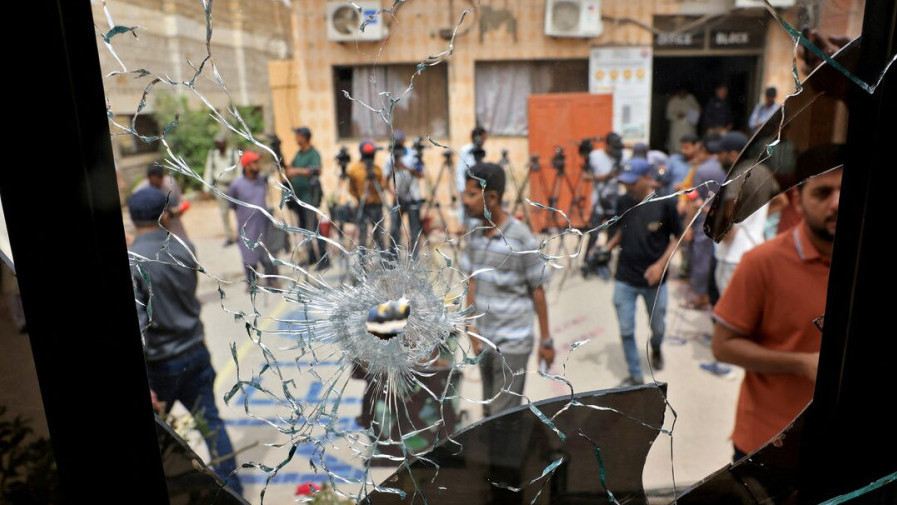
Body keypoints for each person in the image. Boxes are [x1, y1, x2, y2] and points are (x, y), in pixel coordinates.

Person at [712, 150, 842, 462]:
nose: (837, 203)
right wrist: (801, 364)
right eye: (822, 193)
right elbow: (723, 346)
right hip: (770, 440)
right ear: (798, 199)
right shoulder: (762, 263)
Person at [126, 186, 243, 495]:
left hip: (160, 365)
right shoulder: (184, 248)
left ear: (132, 219)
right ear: (165, 215)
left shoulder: (133, 260)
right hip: (195, 353)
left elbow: (139, 324)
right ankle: (233, 491)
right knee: (211, 425)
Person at [460, 162, 553, 416]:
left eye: (471, 194)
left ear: (491, 197)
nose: (464, 200)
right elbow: (472, 281)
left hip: (513, 342)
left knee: (504, 416)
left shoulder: (520, 237)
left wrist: (546, 340)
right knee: (488, 411)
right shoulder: (475, 234)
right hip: (484, 339)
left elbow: (538, 289)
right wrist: (471, 327)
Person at [603, 159, 683, 386]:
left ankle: (656, 347)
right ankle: (636, 376)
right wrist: (607, 247)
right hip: (625, 277)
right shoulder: (623, 201)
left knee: (657, 327)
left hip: (654, 281)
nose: (627, 186)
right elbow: (622, 229)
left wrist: (660, 265)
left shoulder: (665, 203)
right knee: (626, 329)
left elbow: (678, 237)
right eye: (625, 182)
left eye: (632, 182)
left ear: (647, 178)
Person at [683, 134, 725, 309]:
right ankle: (712, 294)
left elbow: (693, 198)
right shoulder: (726, 167)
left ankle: (700, 295)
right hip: (722, 220)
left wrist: (687, 226)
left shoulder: (702, 170)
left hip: (703, 220)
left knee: (701, 258)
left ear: (705, 150)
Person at [228, 151, 279, 287]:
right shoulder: (236, 185)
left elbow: (270, 197)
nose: (258, 165)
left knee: (268, 253)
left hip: (264, 224)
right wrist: (233, 229)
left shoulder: (262, 181)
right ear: (247, 166)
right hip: (247, 228)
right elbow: (231, 208)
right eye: (255, 163)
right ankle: (251, 283)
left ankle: (272, 280)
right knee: (249, 256)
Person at [285, 126, 329, 269]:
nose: (296, 138)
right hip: (298, 197)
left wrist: (296, 171)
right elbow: (290, 168)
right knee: (304, 227)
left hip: (309, 196)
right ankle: (311, 257)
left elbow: (317, 170)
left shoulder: (313, 153)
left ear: (304, 137)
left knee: (313, 228)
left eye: (298, 135)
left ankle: (324, 258)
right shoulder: (299, 154)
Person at [582, 131, 624, 275]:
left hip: (613, 201)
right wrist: (605, 177)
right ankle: (588, 262)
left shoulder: (620, 156)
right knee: (594, 234)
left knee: (612, 234)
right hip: (598, 201)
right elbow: (586, 176)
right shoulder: (595, 156)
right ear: (607, 145)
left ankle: (604, 262)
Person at [383, 131, 424, 258]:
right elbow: (384, 181)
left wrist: (404, 167)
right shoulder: (389, 158)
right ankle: (393, 259)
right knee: (394, 230)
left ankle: (414, 258)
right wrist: (393, 193)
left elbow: (420, 174)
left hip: (413, 198)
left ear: (404, 141)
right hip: (398, 200)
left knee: (414, 230)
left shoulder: (413, 155)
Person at [347, 140, 387, 251]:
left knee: (380, 236)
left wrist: (374, 178)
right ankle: (362, 259)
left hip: (377, 206)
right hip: (363, 207)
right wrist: (360, 198)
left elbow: (381, 187)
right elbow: (351, 189)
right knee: (363, 237)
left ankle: (383, 259)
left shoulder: (377, 170)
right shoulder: (354, 170)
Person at [134, 163, 190, 242]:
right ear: (147, 178)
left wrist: (173, 212)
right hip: (154, 229)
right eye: (153, 184)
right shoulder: (140, 192)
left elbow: (181, 204)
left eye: (158, 183)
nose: (156, 186)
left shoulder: (171, 183)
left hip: (174, 224)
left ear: (163, 177)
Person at [202, 133, 239, 246]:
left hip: (233, 186)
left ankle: (241, 234)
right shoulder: (213, 155)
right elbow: (208, 171)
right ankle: (229, 236)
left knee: (238, 211)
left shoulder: (233, 154)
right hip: (220, 186)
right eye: (218, 143)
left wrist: (240, 186)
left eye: (222, 143)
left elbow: (239, 170)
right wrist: (206, 189)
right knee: (224, 212)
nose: (220, 145)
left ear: (225, 143)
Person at [456, 126, 487, 229]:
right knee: (465, 210)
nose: (484, 140)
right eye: (483, 138)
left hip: (477, 186)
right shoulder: (466, 150)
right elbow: (460, 170)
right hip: (466, 186)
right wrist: (462, 189)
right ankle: (463, 228)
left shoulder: (481, 151)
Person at [665, 88, 701, 154]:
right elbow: (668, 114)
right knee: (676, 146)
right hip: (677, 127)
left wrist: (688, 115)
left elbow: (697, 112)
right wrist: (677, 115)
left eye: (684, 92)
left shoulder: (691, 99)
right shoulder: (673, 100)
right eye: (681, 92)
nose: (682, 93)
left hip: (689, 127)